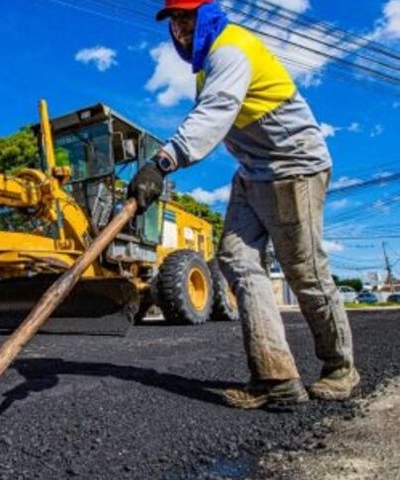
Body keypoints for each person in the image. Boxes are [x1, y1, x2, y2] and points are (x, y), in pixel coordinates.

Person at [128, 0, 358, 409]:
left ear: (209, 15)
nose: (180, 27)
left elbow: (213, 115)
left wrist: (161, 164)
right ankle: (276, 379)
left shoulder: (231, 50)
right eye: (175, 20)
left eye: (187, 16)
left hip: (293, 168)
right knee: (235, 259)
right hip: (253, 173)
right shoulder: (206, 68)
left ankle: (340, 369)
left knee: (304, 270)